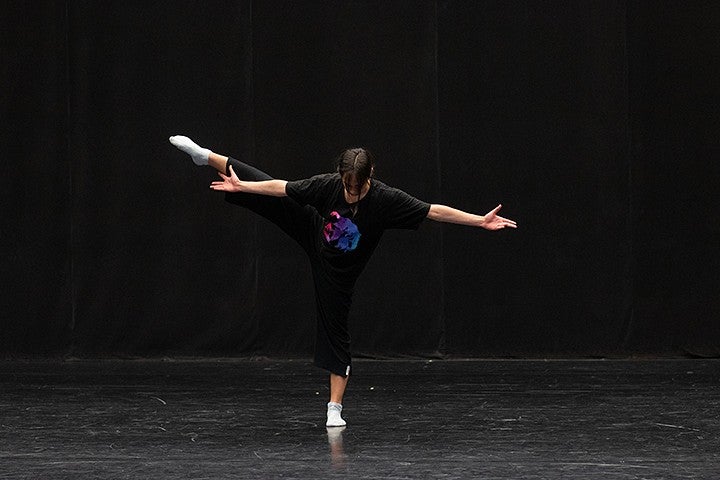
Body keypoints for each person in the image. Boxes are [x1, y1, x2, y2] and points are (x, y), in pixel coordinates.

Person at [169, 135, 517, 427]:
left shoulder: (385, 200)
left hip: (338, 274)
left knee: (336, 330)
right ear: (339, 176)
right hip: (313, 232)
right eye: (347, 185)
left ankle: (334, 408)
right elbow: (282, 187)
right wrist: (243, 186)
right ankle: (206, 157)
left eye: (357, 187)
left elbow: (433, 211)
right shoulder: (327, 185)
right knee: (269, 194)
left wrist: (478, 221)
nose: (351, 192)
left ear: (370, 177)